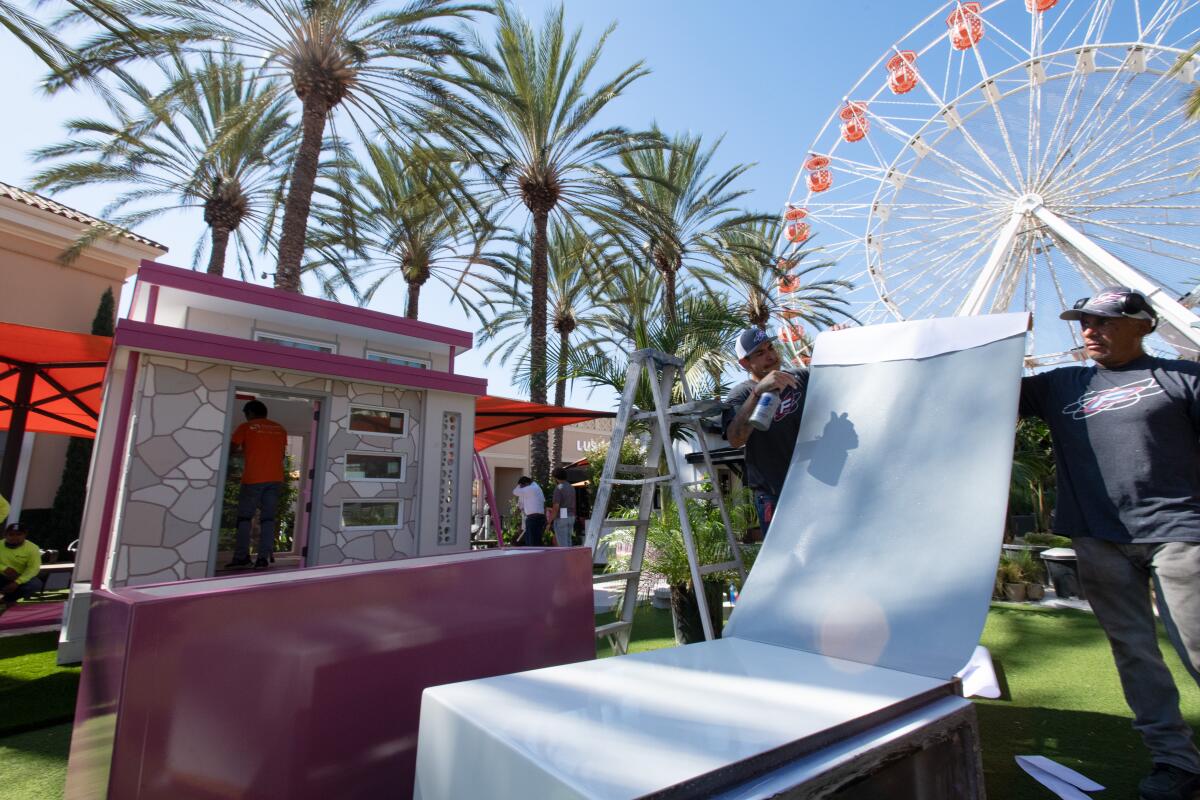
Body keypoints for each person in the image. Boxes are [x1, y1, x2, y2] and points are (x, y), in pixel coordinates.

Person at [1020, 286, 1200, 800]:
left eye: (1103, 322)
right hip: (1098, 539)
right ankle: (1175, 763)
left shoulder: (1182, 379)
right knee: (1133, 653)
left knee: (1198, 647)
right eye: (1084, 322)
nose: (1089, 331)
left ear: (1143, 325)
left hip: (1179, 533)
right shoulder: (1061, 386)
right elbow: (983, 390)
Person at [721, 327, 811, 537]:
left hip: (812, 487)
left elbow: (839, 382)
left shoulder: (800, 378)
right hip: (773, 493)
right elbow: (736, 439)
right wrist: (757, 393)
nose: (770, 356)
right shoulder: (741, 394)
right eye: (760, 353)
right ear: (744, 363)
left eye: (770, 348)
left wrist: (839, 339)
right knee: (782, 560)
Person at [227, 399, 288, 570]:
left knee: (245, 518)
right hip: (275, 479)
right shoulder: (280, 428)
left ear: (250, 413)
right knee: (268, 519)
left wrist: (244, 452)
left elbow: (229, 449)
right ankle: (262, 559)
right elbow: (281, 455)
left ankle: (241, 557)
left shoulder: (246, 427)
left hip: (253, 479)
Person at [1, 522, 43, 616]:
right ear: (5, 535)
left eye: (19, 534)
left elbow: (33, 569)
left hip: (19, 577)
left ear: (25, 535)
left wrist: (17, 582)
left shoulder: (33, 548)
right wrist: (3, 568)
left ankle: (8, 600)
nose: (15, 537)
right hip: (1, 575)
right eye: (11, 534)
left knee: (35, 584)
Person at [512, 476, 546, 547]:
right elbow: (521, 502)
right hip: (538, 517)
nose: (521, 488)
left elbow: (515, 492)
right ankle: (538, 557)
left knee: (531, 542)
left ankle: (533, 557)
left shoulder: (531, 489)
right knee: (536, 541)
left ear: (527, 484)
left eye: (522, 486)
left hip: (533, 518)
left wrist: (519, 485)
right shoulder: (535, 488)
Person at [549, 468, 577, 547]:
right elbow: (574, 503)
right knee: (568, 541)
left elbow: (556, 506)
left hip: (561, 517)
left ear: (555, 477)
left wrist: (549, 521)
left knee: (562, 544)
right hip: (571, 516)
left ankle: (565, 559)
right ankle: (570, 559)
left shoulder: (559, 488)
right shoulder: (571, 487)